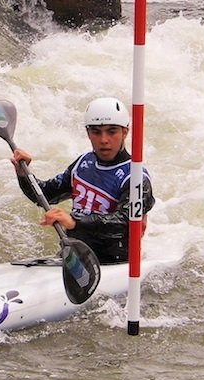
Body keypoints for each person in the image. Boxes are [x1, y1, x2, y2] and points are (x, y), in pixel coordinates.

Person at [11, 97, 155, 264]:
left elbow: (126, 222)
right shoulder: (83, 164)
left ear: (125, 132)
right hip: (74, 257)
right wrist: (24, 174)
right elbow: (44, 195)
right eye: (96, 132)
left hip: (113, 263)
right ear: (88, 133)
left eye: (112, 131)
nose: (104, 140)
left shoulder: (136, 177)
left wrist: (76, 222)